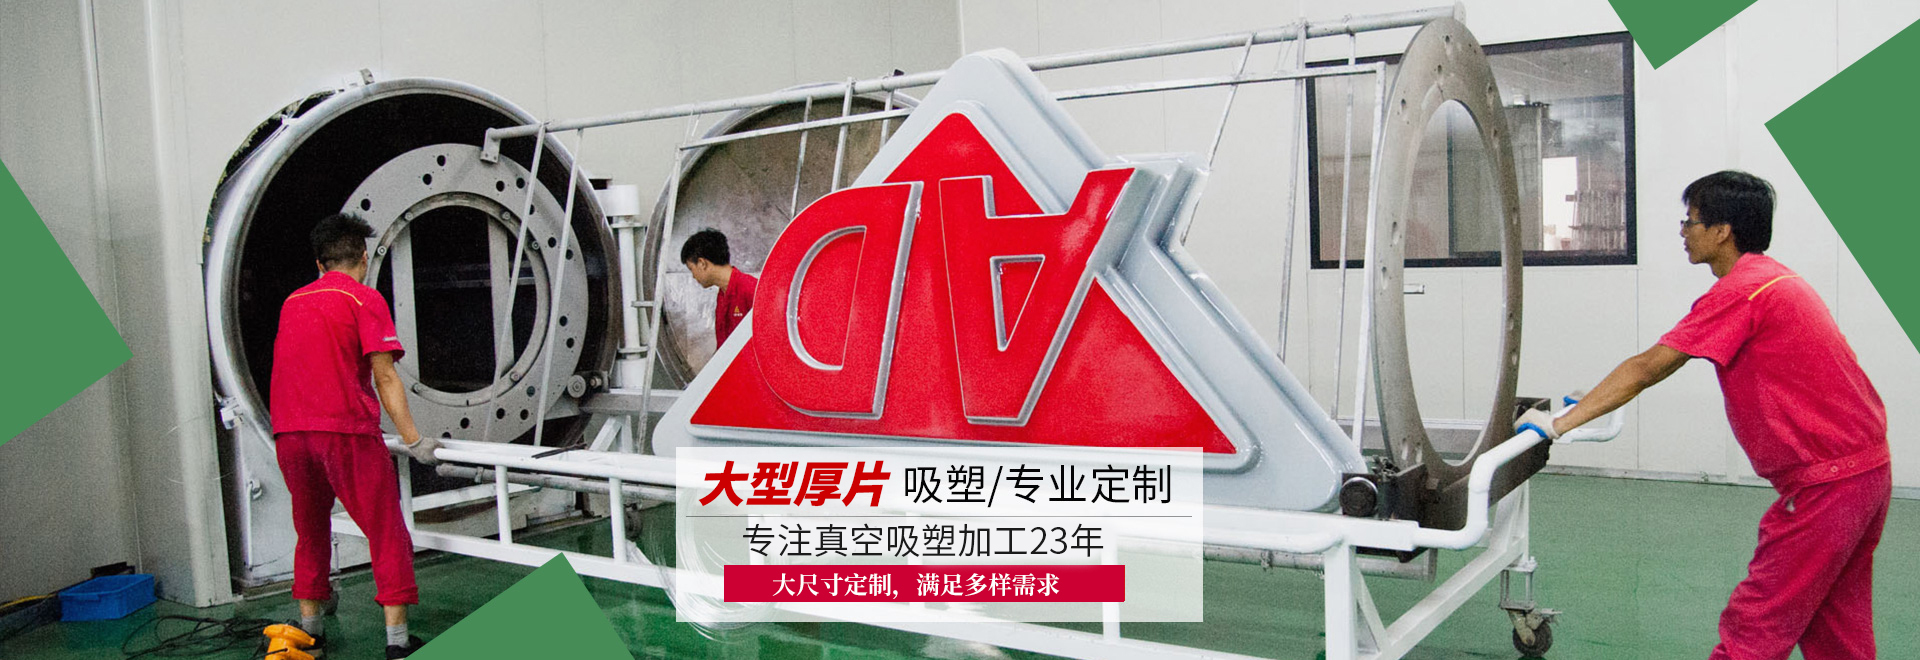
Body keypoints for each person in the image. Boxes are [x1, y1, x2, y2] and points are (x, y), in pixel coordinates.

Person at [1518, 171, 1889, 660]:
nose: (1683, 231)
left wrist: (1559, 425)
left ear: (1722, 231)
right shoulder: (1774, 279)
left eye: (1690, 221)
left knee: (1756, 625)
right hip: (1865, 474)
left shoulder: (1744, 291)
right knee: (1836, 626)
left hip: (1828, 485)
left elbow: (1649, 367)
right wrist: (1588, 405)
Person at [269, 213, 443, 659]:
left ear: (319, 264)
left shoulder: (291, 302)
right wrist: (413, 440)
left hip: (290, 434)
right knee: (386, 531)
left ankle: (309, 633)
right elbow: (385, 377)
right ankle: (397, 642)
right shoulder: (364, 300)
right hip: (344, 432)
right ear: (364, 258)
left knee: (310, 529)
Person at [682, 228, 757, 346]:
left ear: (702, 263)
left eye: (692, 269)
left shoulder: (752, 290)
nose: (693, 276)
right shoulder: (722, 295)